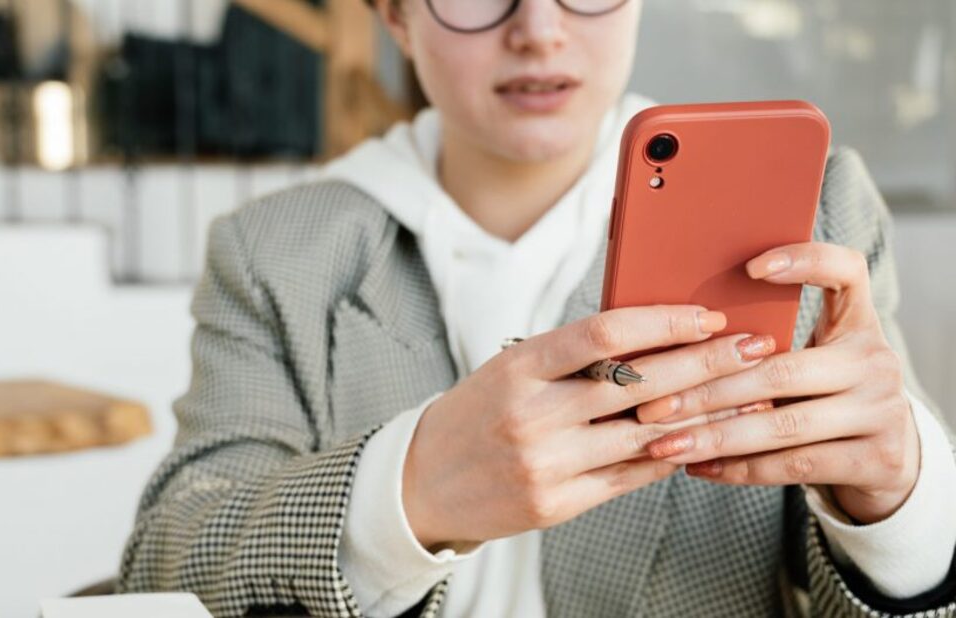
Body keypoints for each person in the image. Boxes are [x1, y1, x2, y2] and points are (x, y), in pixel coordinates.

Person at [118, 0, 956, 616]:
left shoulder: (814, 212)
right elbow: (166, 563)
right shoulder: (274, 251)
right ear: (397, 19)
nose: (540, 30)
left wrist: (897, 506)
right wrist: (403, 493)